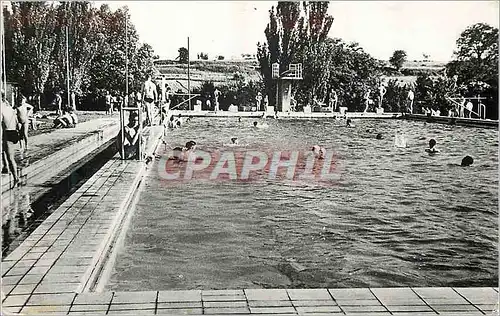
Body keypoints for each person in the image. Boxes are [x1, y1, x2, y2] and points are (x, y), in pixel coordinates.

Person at [2, 91, 19, 185]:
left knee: (10, 157)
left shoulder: (2, 109)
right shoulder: (10, 108)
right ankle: (6, 167)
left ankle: (16, 178)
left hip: (7, 133)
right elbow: (17, 122)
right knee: (6, 153)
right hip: (13, 132)